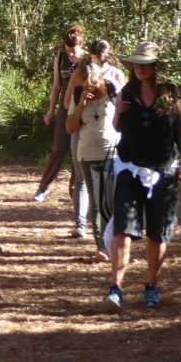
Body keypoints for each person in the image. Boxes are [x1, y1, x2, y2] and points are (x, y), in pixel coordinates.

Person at [100, 42, 181, 311]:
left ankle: (151, 286)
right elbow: (116, 127)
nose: (140, 68)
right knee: (123, 229)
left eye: (146, 63)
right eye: (136, 63)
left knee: (158, 232)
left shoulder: (172, 95)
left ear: (156, 66)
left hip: (164, 171)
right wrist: (118, 112)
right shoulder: (126, 93)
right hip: (129, 168)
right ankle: (116, 288)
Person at [65, 40, 125, 261]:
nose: (91, 87)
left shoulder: (111, 88)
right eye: (86, 83)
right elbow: (70, 127)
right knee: (96, 200)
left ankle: (115, 242)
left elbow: (124, 115)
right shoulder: (80, 93)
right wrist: (81, 101)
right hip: (87, 154)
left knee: (111, 200)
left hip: (112, 151)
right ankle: (102, 246)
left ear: (100, 77)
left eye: (93, 83)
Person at [32, 27, 88, 236]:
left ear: (82, 47)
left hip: (83, 110)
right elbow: (56, 86)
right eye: (69, 51)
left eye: (75, 51)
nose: (72, 55)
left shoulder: (88, 60)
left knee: (78, 153)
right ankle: (43, 188)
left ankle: (76, 192)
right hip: (65, 109)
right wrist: (50, 111)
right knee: (59, 148)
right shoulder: (60, 58)